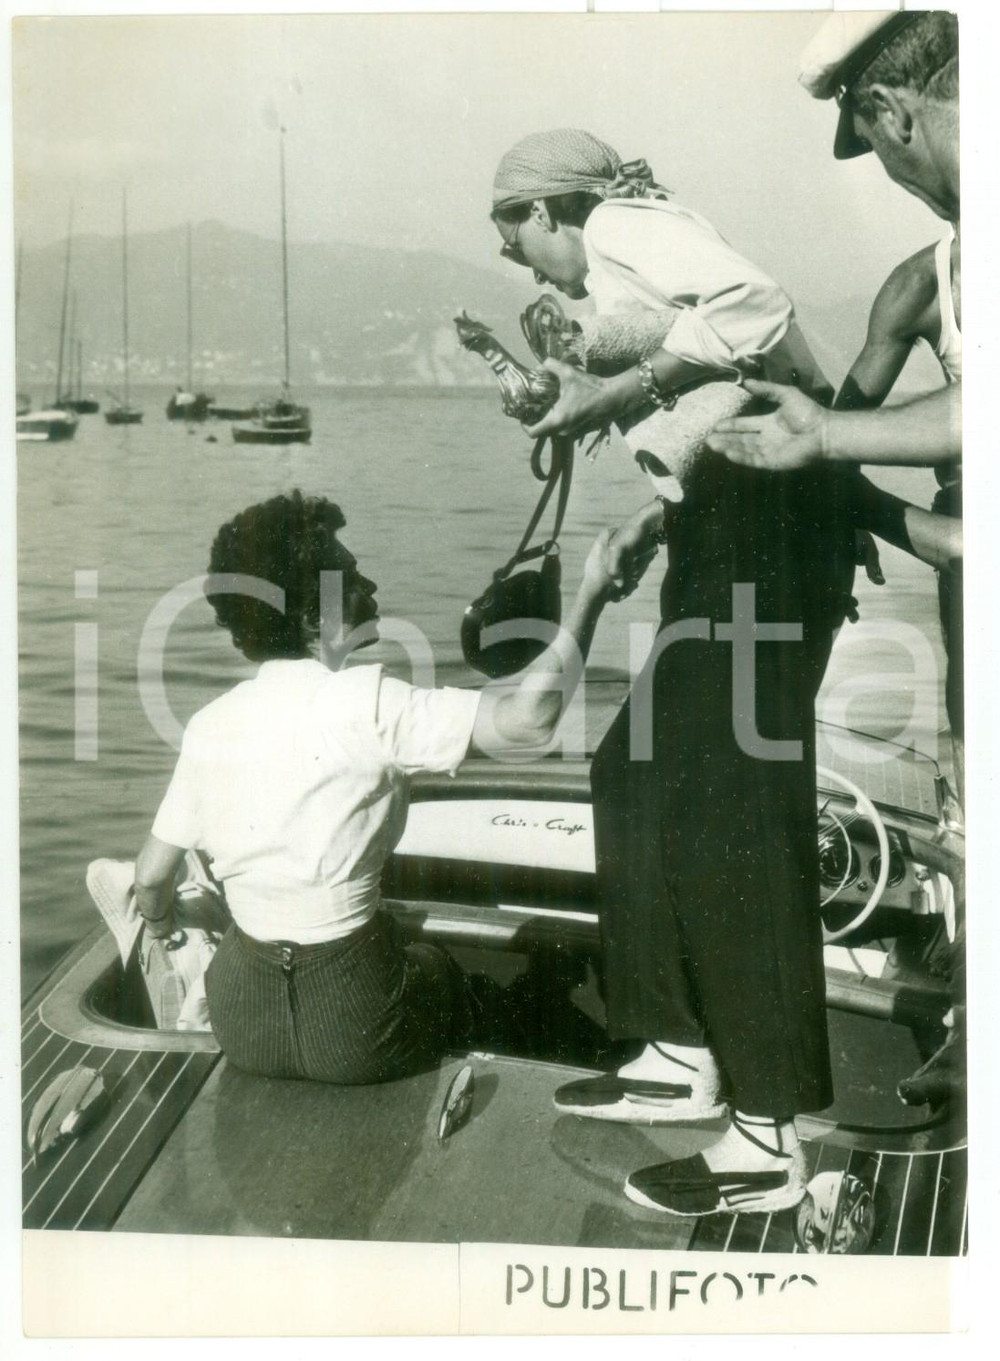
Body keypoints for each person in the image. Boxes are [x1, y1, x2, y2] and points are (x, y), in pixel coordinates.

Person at [491, 128, 857, 1216]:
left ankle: (772, 1132)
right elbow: (729, 380)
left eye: (512, 231)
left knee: (731, 808)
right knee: (634, 770)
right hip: (728, 513)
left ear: (548, 209)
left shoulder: (623, 223)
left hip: (768, 518)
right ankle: (676, 1047)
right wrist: (659, 510)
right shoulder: (623, 257)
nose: (512, 257)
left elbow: (757, 306)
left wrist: (614, 395)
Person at [134, 489, 631, 1085]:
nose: (369, 585)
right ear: (312, 617)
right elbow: (529, 724)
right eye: (351, 576)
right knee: (441, 969)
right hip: (358, 1027)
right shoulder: (369, 701)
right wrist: (591, 594)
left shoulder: (209, 724)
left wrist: (161, 929)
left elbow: (150, 878)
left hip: (243, 1025)